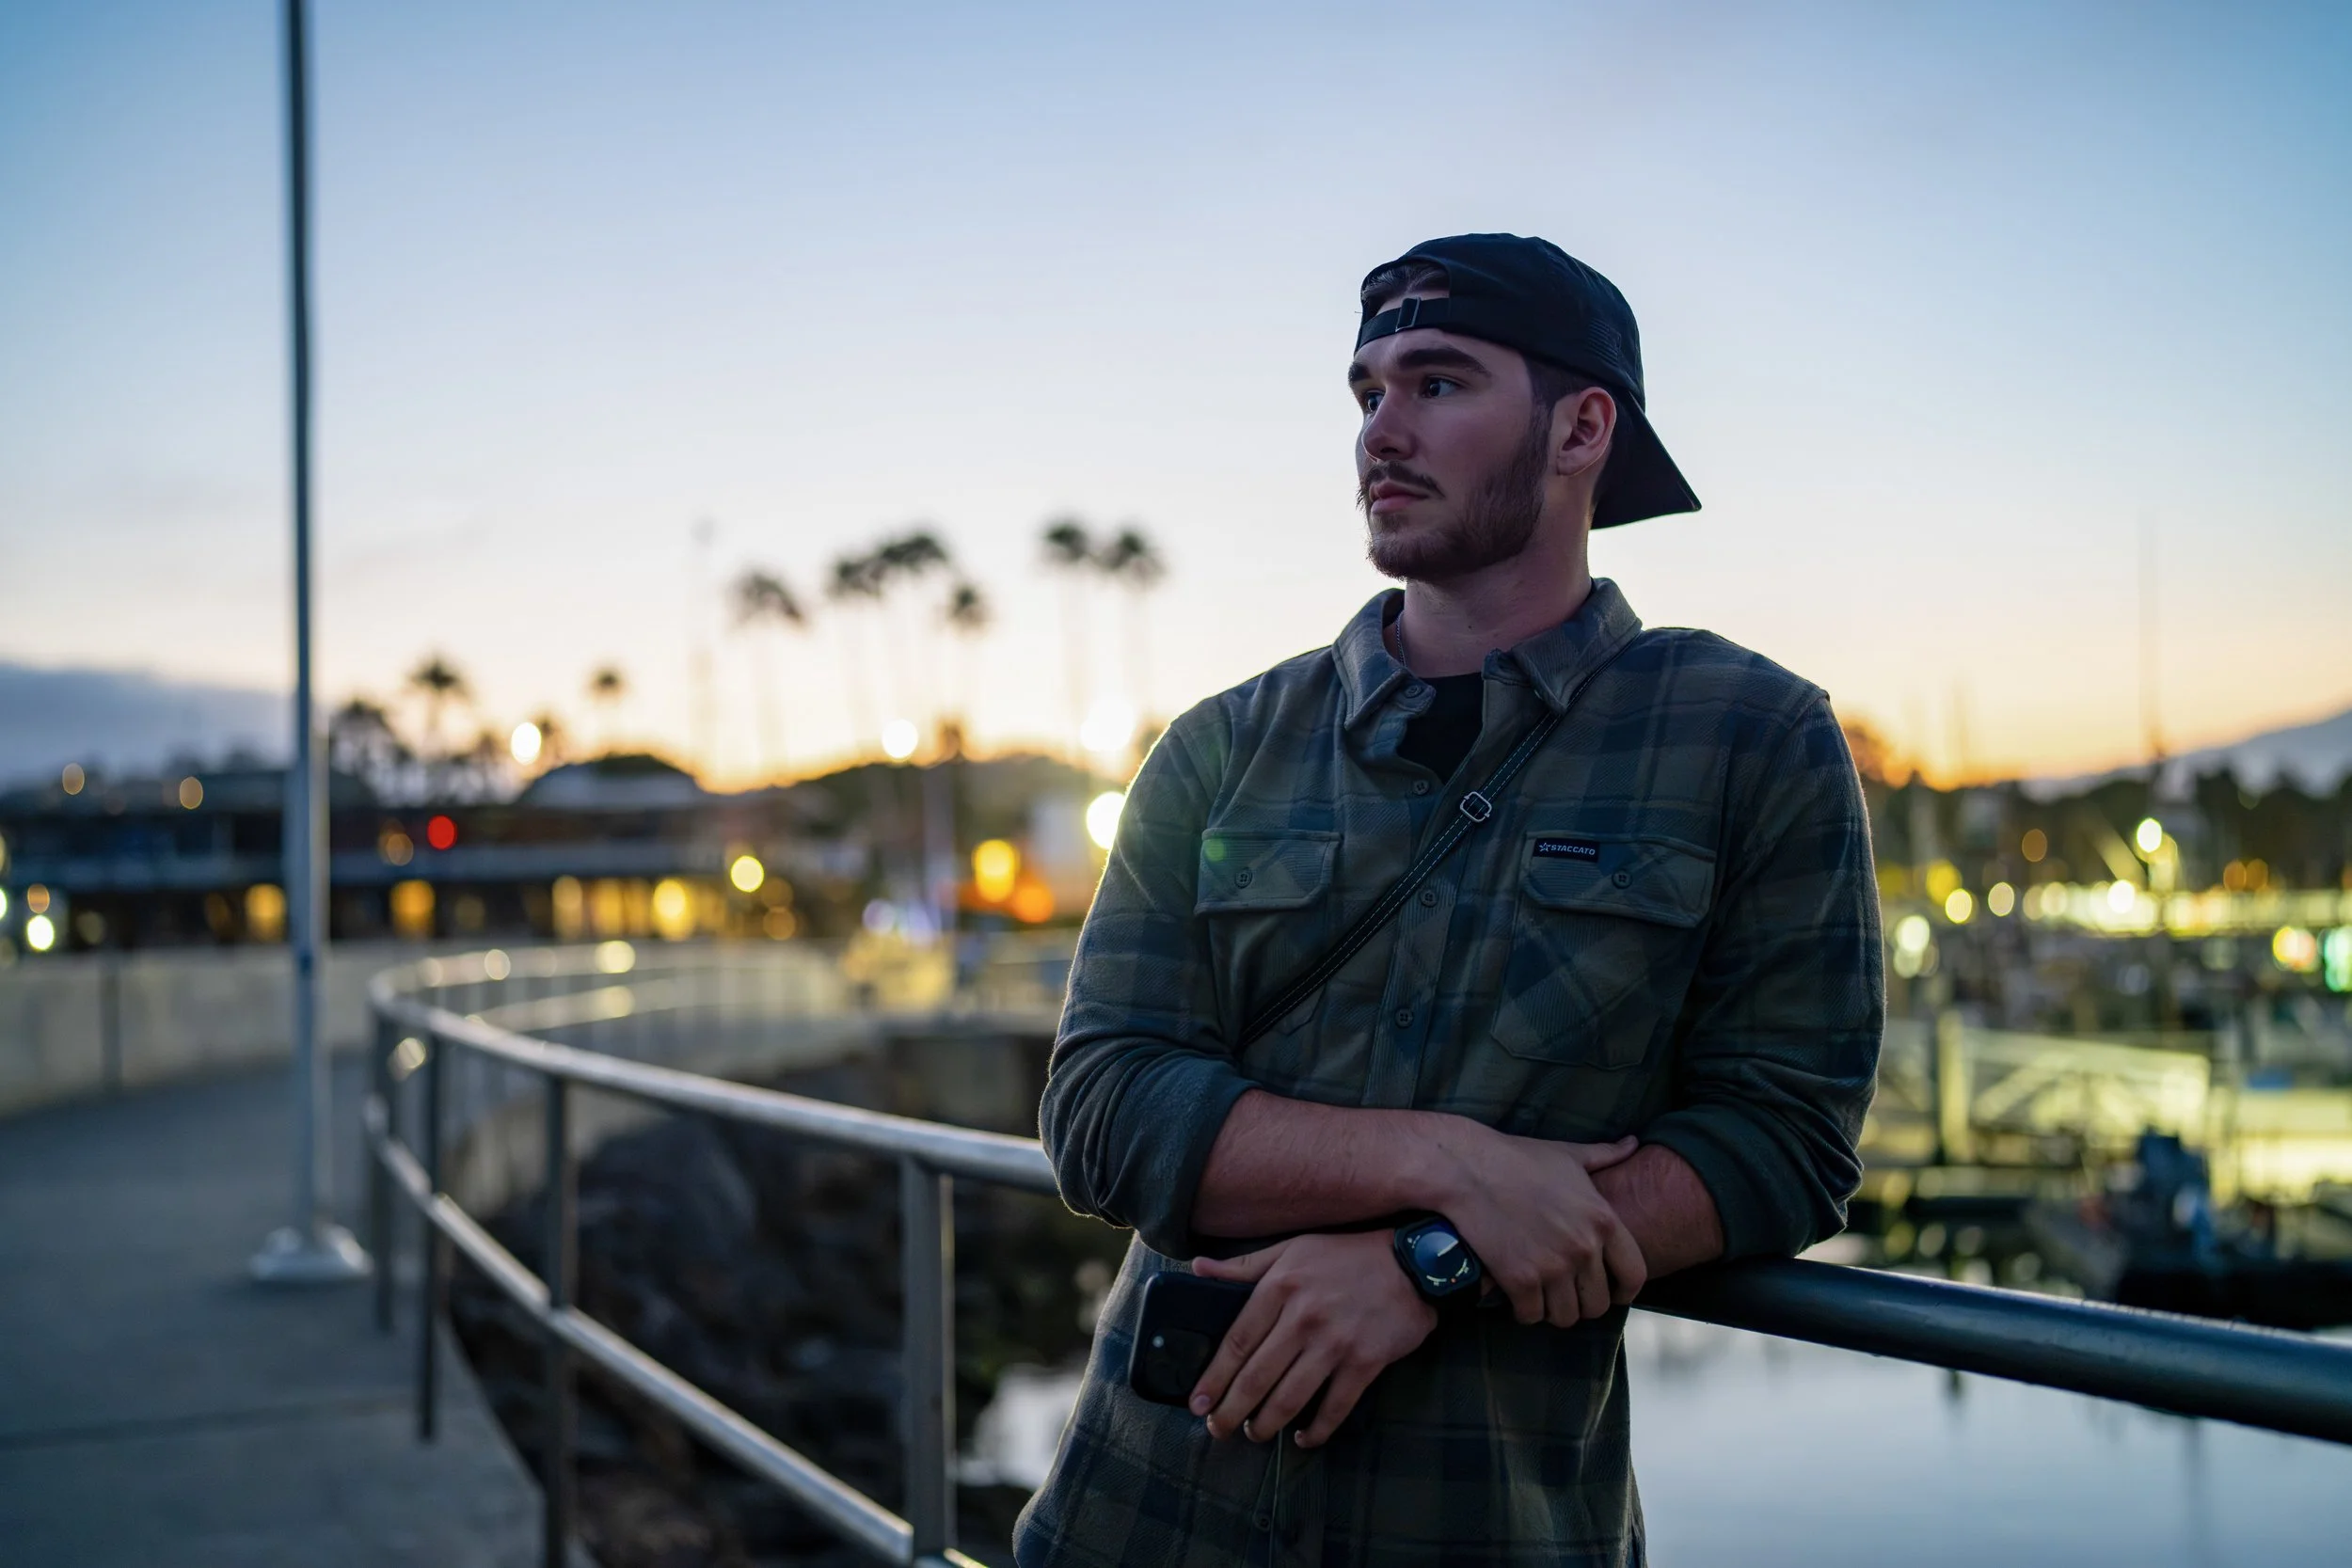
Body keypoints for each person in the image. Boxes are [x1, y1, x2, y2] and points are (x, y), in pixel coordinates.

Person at [1015, 233, 1883, 1568]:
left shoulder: (1748, 737)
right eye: (1368, 394)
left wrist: (1429, 1262)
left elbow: (1784, 1135)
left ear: (1583, 425)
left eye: (1439, 384)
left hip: (1485, 1519)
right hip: (1142, 1512)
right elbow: (1099, 1107)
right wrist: (1450, 1164)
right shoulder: (1220, 746)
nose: (1382, 432)